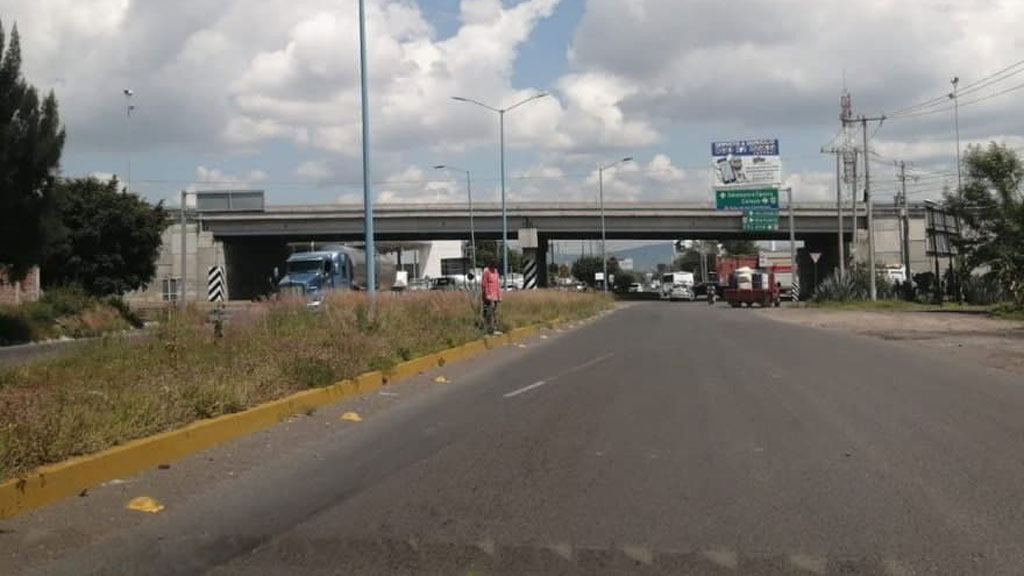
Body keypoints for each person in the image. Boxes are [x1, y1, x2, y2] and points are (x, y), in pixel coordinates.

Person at [481, 260, 502, 335]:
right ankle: (488, 328)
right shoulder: (486, 271)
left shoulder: (496, 271)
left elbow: (497, 284)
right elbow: (484, 284)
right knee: (488, 312)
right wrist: (487, 295)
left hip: (495, 295)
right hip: (488, 295)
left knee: (494, 312)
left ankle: (494, 328)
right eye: (493, 266)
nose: (494, 268)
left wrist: (499, 296)